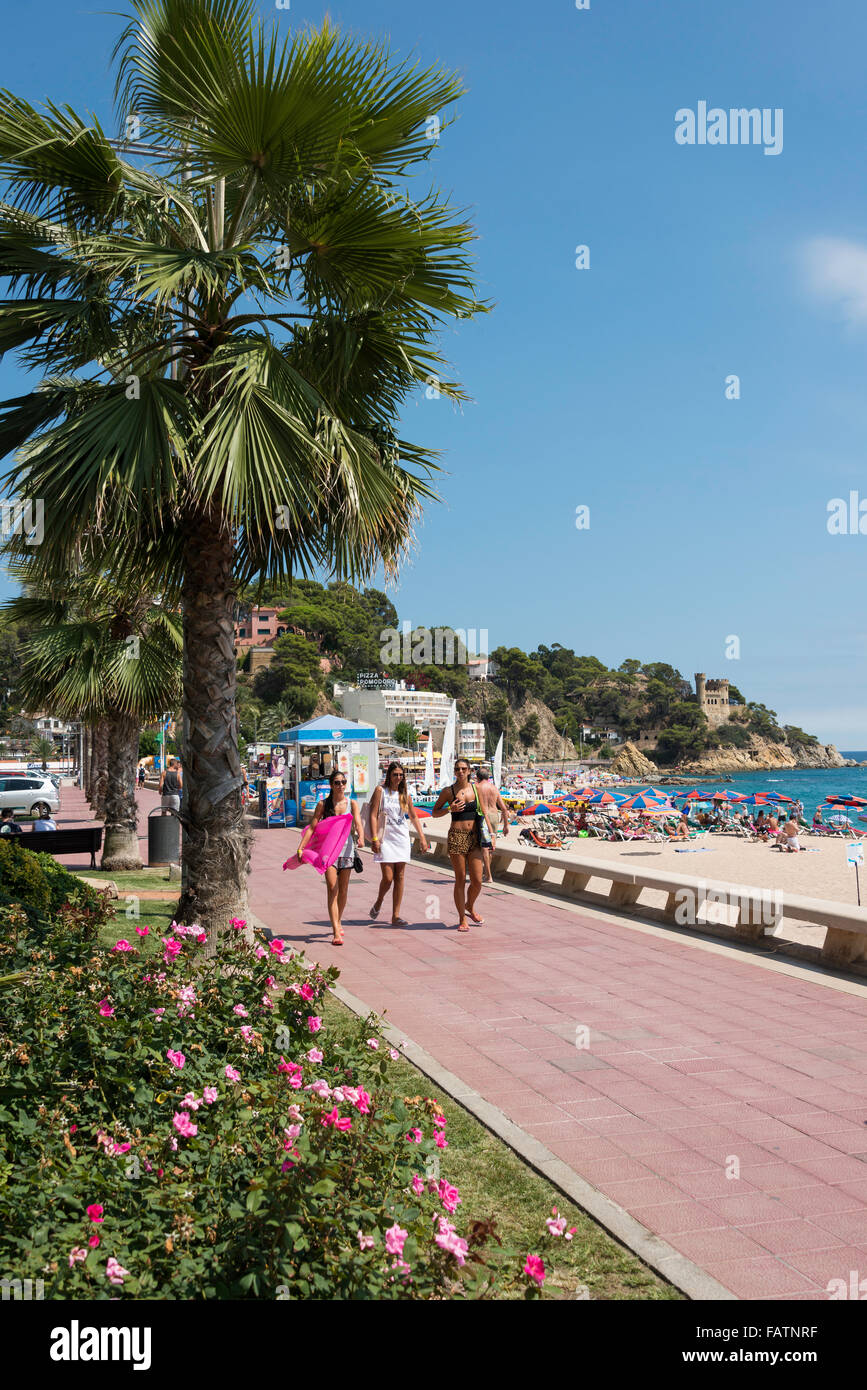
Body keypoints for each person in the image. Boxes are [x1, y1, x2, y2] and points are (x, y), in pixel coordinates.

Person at [296, 769, 364, 946]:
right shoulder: (323, 805)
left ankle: (338, 920)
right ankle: (336, 931)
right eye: (337, 783)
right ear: (331, 785)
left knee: (343, 890)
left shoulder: (352, 803)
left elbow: (357, 822)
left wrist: (362, 837)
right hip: (329, 851)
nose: (340, 785)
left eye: (343, 782)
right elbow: (312, 827)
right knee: (332, 887)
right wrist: (301, 847)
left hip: (347, 850)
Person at [432, 759, 496, 932]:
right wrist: (449, 809)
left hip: (474, 838)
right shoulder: (448, 791)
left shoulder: (476, 789)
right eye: (457, 769)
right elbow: (434, 813)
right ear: (454, 772)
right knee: (460, 879)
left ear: (469, 771)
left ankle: (469, 905)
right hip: (457, 836)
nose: (460, 772)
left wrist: (491, 835)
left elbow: (483, 812)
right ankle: (462, 918)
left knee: (477, 881)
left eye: (463, 769)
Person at [368, 762, 429, 925]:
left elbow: (414, 816)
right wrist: (374, 838)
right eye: (395, 774)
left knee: (400, 876)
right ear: (389, 775)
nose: (398, 777)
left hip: (401, 837)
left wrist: (422, 837)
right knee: (388, 878)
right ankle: (379, 900)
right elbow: (373, 815)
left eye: (401, 775)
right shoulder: (381, 791)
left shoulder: (404, 794)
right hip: (385, 839)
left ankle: (395, 915)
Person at [474, 768, 510, 882]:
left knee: (484, 847)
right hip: (495, 816)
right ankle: (486, 874)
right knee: (490, 847)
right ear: (488, 777)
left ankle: (488, 876)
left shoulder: (477, 787)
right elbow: (504, 809)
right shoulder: (494, 788)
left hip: (483, 816)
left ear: (478, 777)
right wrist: (506, 825)